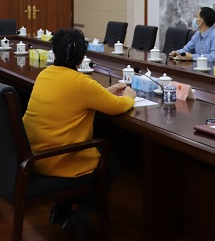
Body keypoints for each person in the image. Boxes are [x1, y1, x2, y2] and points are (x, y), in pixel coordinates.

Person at [22, 28, 136, 240]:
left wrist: (106, 92)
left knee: (94, 152)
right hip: (57, 160)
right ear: (82, 57)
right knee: (110, 159)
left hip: (33, 155)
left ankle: (62, 208)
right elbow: (118, 106)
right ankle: (80, 217)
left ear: (54, 52)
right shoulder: (81, 83)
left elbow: (80, 97)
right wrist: (129, 95)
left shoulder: (45, 74)